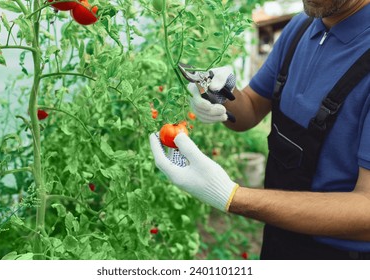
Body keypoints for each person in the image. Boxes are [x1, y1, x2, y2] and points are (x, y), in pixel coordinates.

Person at [149, 0, 370, 260]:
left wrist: (231, 196)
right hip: (278, 236)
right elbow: (252, 108)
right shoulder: (300, 27)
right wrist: (219, 94)